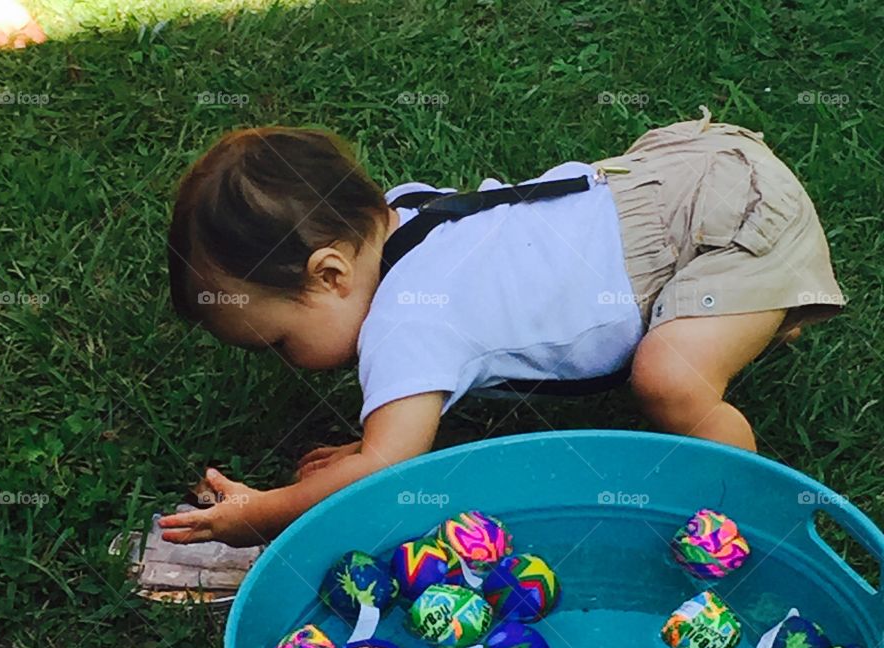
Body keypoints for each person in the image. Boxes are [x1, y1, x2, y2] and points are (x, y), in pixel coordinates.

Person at [160, 106, 845, 547]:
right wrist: (375, 439)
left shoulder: (405, 321)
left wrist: (265, 510)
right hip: (684, 175)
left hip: (727, 226)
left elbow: (389, 469)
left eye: (280, 342)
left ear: (333, 274)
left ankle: (746, 514)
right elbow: (390, 444)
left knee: (672, 379)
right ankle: (739, 310)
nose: (289, 362)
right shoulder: (407, 214)